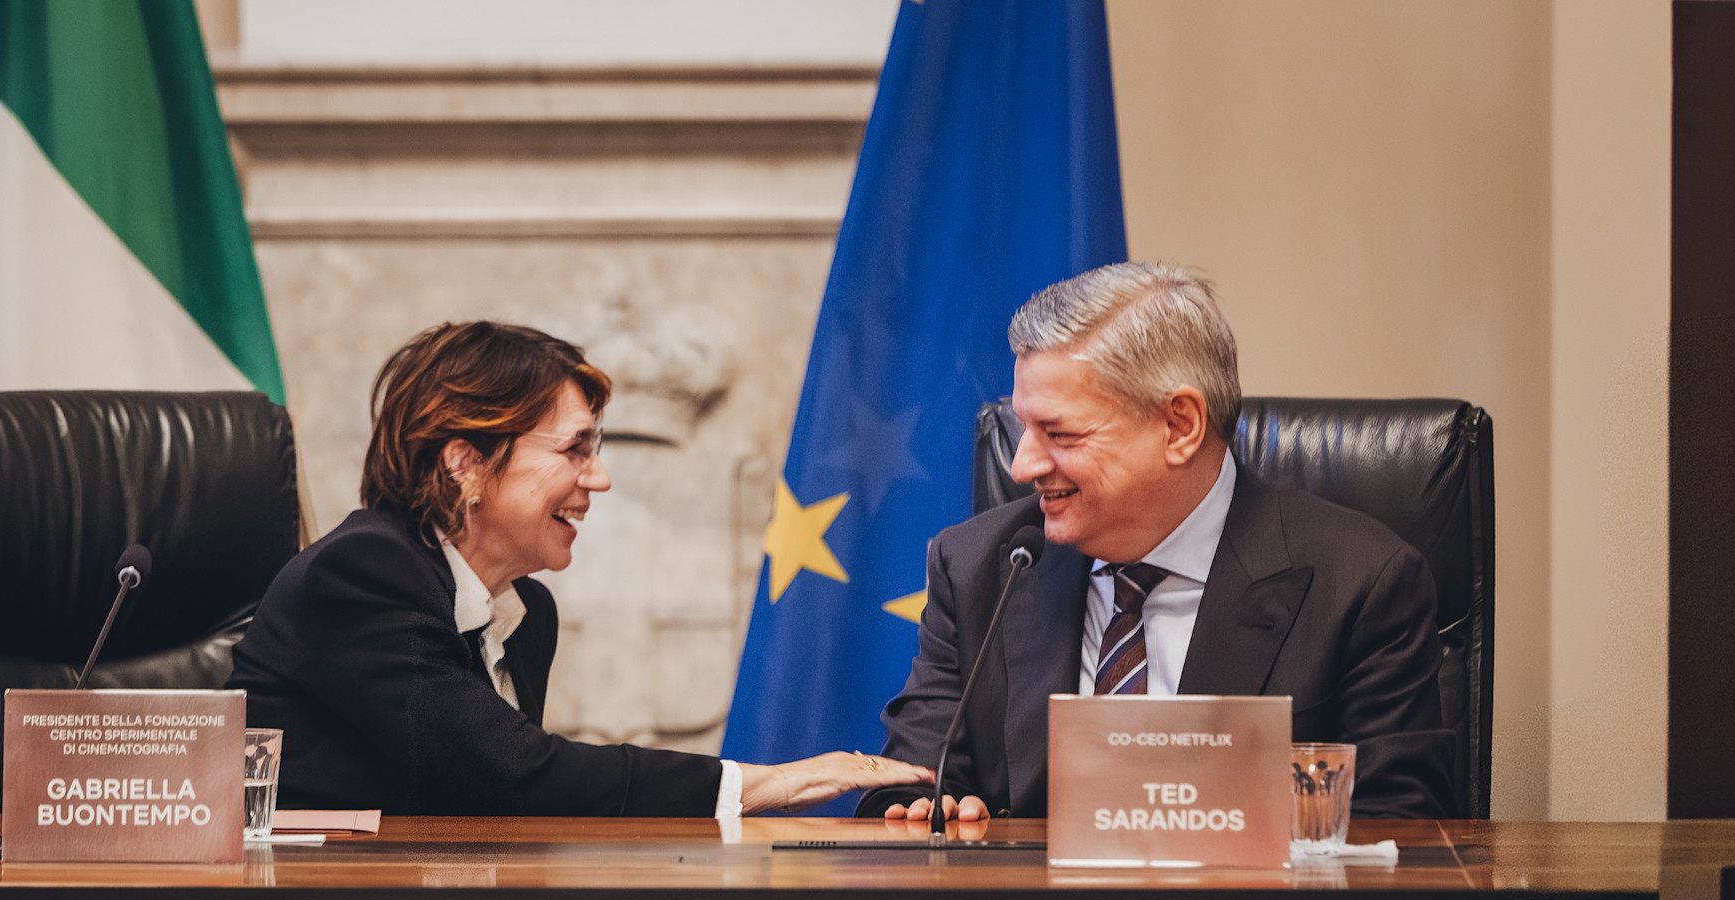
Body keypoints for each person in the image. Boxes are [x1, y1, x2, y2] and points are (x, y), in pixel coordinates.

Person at [230, 321, 931, 816]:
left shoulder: (527, 616)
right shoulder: (361, 572)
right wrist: (762, 784)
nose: (599, 479)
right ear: (466, 461)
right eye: (576, 449)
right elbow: (510, 775)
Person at [859, 262, 1456, 823]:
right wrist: (919, 811)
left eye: (1059, 433)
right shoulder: (978, 568)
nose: (1022, 465)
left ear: (1179, 426)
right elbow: (911, 775)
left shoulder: (1360, 582)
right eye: (1023, 428)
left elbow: (1399, 830)